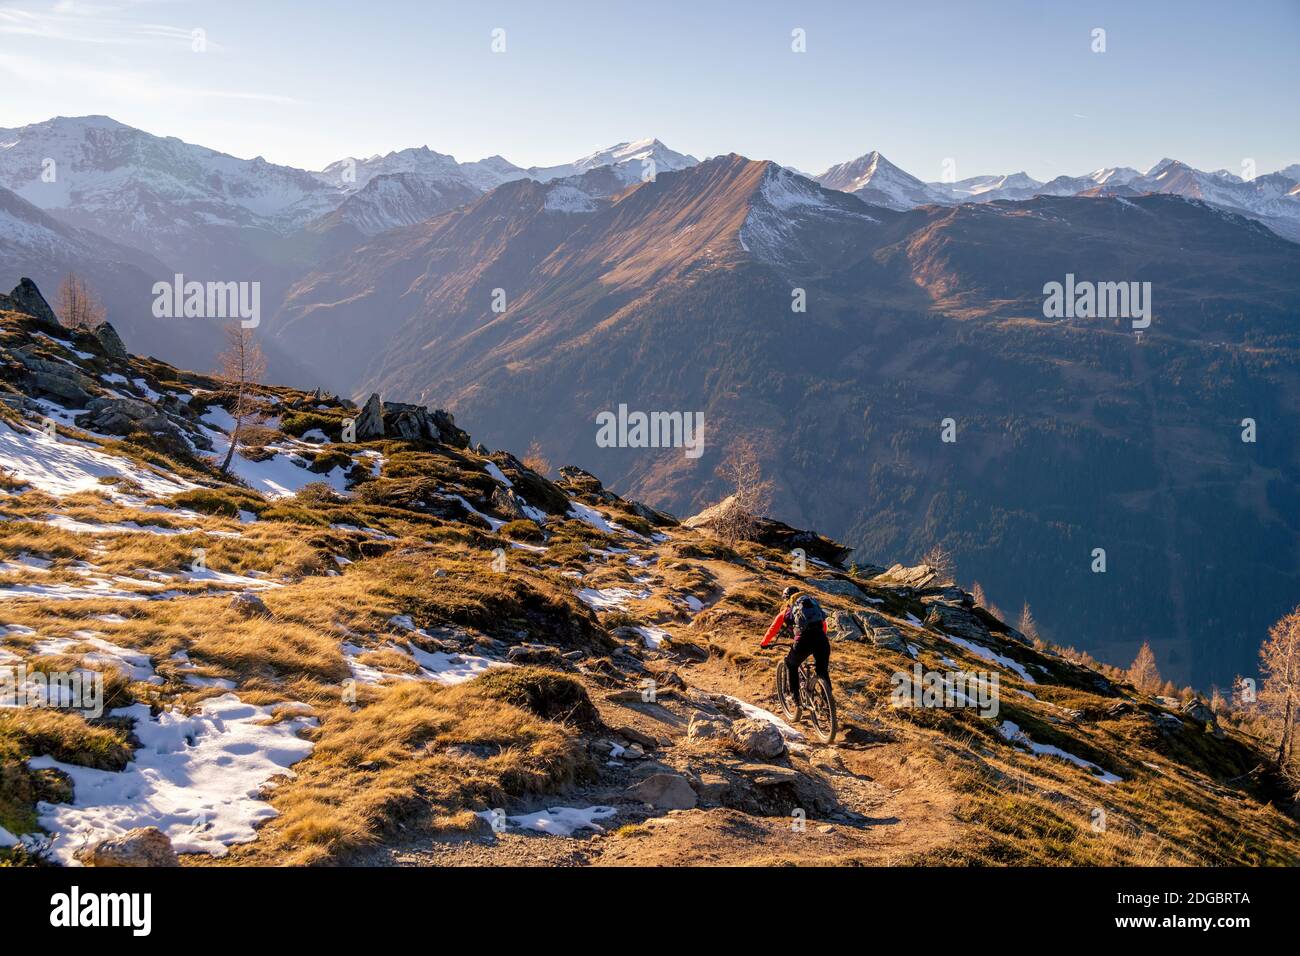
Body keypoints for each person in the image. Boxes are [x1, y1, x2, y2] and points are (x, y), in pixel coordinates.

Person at [760, 585, 829, 716]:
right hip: (821, 640)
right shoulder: (812, 606)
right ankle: (828, 705)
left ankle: (796, 701)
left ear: (787, 598)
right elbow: (823, 625)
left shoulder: (787, 611)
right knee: (822, 671)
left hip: (803, 641)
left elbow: (773, 628)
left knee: (790, 664)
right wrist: (819, 639)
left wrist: (764, 643)